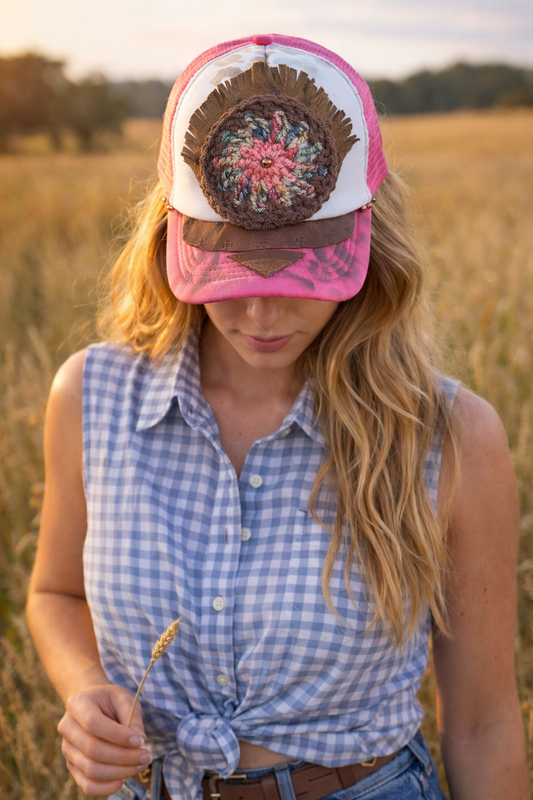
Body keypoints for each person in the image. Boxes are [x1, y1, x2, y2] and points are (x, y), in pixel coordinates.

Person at [26, 34, 528, 800]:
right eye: (228, 273)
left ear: (370, 237)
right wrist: (84, 687)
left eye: (300, 273)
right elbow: (55, 592)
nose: (261, 314)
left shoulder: (449, 436)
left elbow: (482, 724)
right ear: (169, 233)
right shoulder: (91, 397)